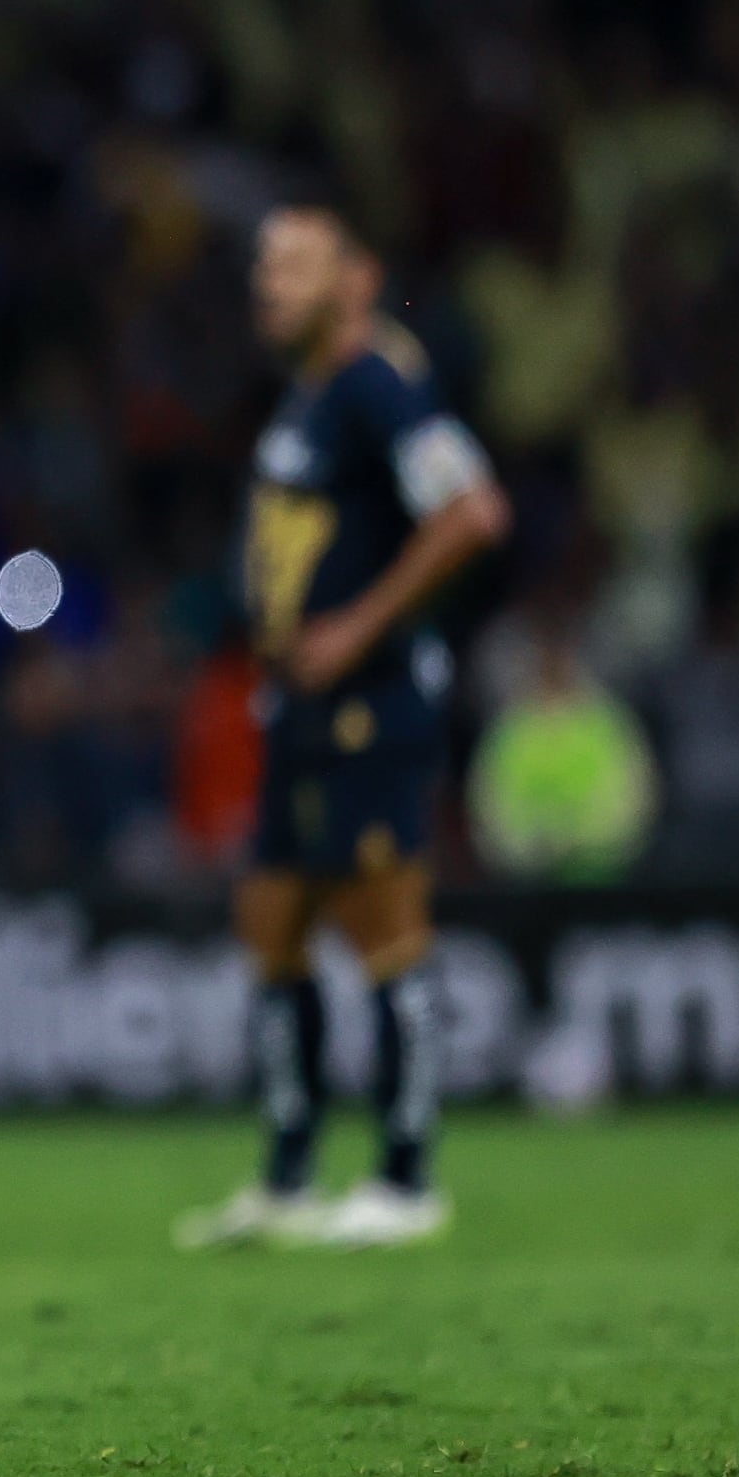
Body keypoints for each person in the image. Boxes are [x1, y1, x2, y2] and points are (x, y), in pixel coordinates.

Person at [176, 205, 509, 1254]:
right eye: (263, 266)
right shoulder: (309, 395)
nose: (269, 285)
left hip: (372, 701)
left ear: (353, 281)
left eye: (294, 267)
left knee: (385, 931)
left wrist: (360, 624)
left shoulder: (374, 387)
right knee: (271, 924)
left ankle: (406, 1180)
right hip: (301, 708)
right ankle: (287, 1178)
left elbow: (472, 513)